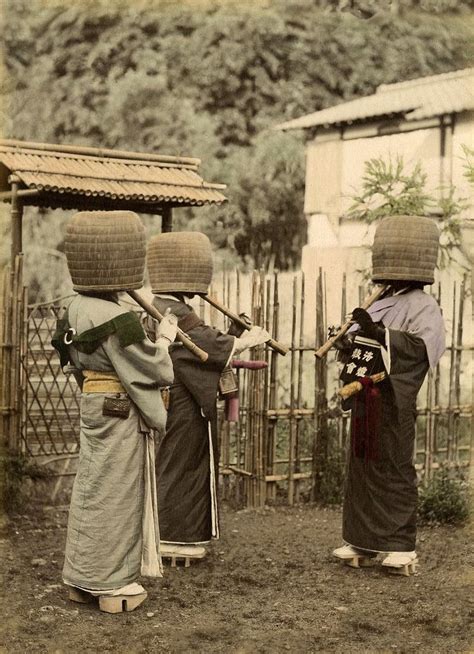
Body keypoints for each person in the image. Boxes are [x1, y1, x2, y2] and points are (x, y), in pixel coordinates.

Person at [52, 210, 178, 613]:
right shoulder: (117, 317)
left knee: (92, 487)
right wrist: (165, 339)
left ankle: (80, 578)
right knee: (119, 493)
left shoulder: (73, 309)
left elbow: (72, 361)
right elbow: (150, 366)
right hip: (121, 410)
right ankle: (109, 583)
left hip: (93, 403)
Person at [146, 231, 270, 563]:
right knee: (183, 463)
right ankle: (175, 535)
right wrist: (250, 339)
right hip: (182, 400)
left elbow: (204, 350)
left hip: (173, 398)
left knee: (177, 461)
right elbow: (203, 345)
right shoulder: (170, 311)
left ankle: (170, 532)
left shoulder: (160, 305)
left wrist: (233, 335)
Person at [332, 215, 446, 576]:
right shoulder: (380, 300)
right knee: (362, 466)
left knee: (394, 468)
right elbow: (362, 352)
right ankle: (362, 540)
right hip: (367, 399)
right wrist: (350, 341)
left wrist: (381, 334)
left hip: (394, 401)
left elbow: (417, 351)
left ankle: (400, 546)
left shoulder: (423, 305)